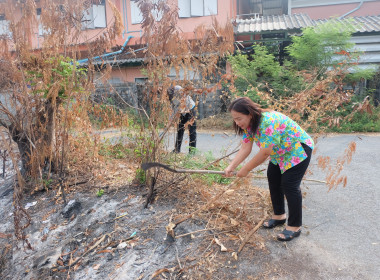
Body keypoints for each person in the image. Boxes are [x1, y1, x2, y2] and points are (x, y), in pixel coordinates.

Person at [224, 97, 314, 242]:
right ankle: (279, 216)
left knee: (290, 185)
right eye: (234, 119)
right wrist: (231, 166)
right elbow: (246, 148)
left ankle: (295, 226)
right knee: (273, 178)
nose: (237, 122)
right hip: (280, 152)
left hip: (298, 148)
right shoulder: (248, 126)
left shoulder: (267, 121)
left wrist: (246, 169)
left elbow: (265, 152)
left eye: (239, 118)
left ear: (250, 114)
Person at [167, 85, 197, 154]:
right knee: (180, 129)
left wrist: (185, 110)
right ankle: (177, 150)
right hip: (182, 112)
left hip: (190, 109)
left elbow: (185, 97)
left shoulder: (177, 88)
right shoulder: (171, 98)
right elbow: (173, 110)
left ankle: (192, 152)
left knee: (192, 131)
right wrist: (169, 121)